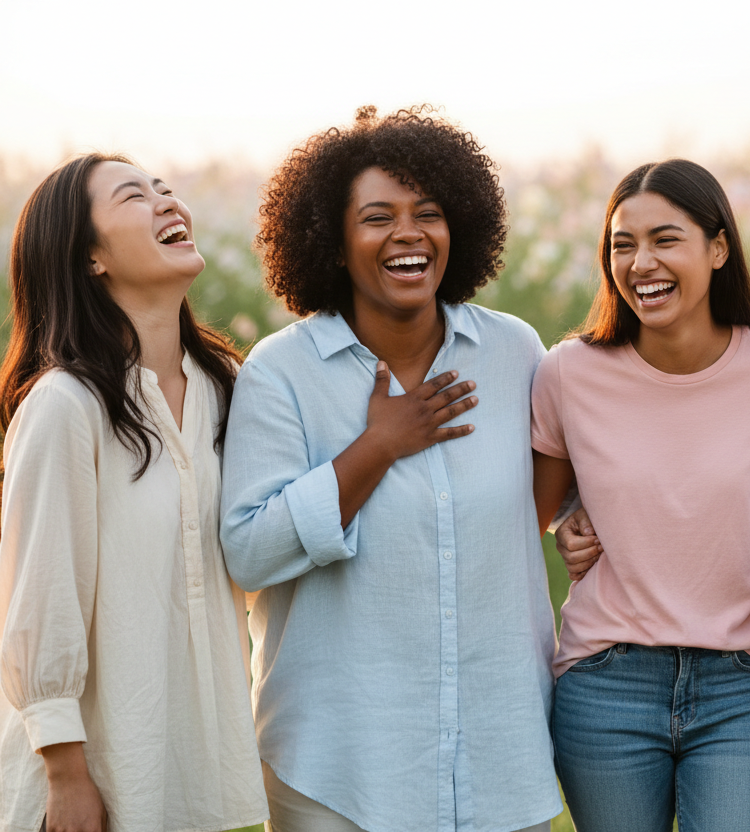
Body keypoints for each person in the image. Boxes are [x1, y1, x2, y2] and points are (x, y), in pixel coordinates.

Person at [219, 106, 560, 832]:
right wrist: (377, 447)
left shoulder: (514, 353)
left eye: (428, 213)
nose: (408, 233)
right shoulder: (282, 373)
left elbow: (547, 500)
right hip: (339, 768)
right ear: (333, 244)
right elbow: (248, 552)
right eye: (378, 217)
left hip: (498, 754)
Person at [532, 158, 750, 832]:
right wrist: (570, 518)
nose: (640, 262)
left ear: (717, 248)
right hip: (607, 679)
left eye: (665, 239)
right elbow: (532, 515)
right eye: (622, 244)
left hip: (745, 681)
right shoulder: (569, 373)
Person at [0, 155, 267, 832]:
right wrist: (66, 776)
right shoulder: (66, 404)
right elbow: (40, 597)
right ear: (91, 256)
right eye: (135, 196)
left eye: (166, 189)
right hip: (84, 778)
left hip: (190, 768)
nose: (166, 201)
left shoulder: (230, 385)